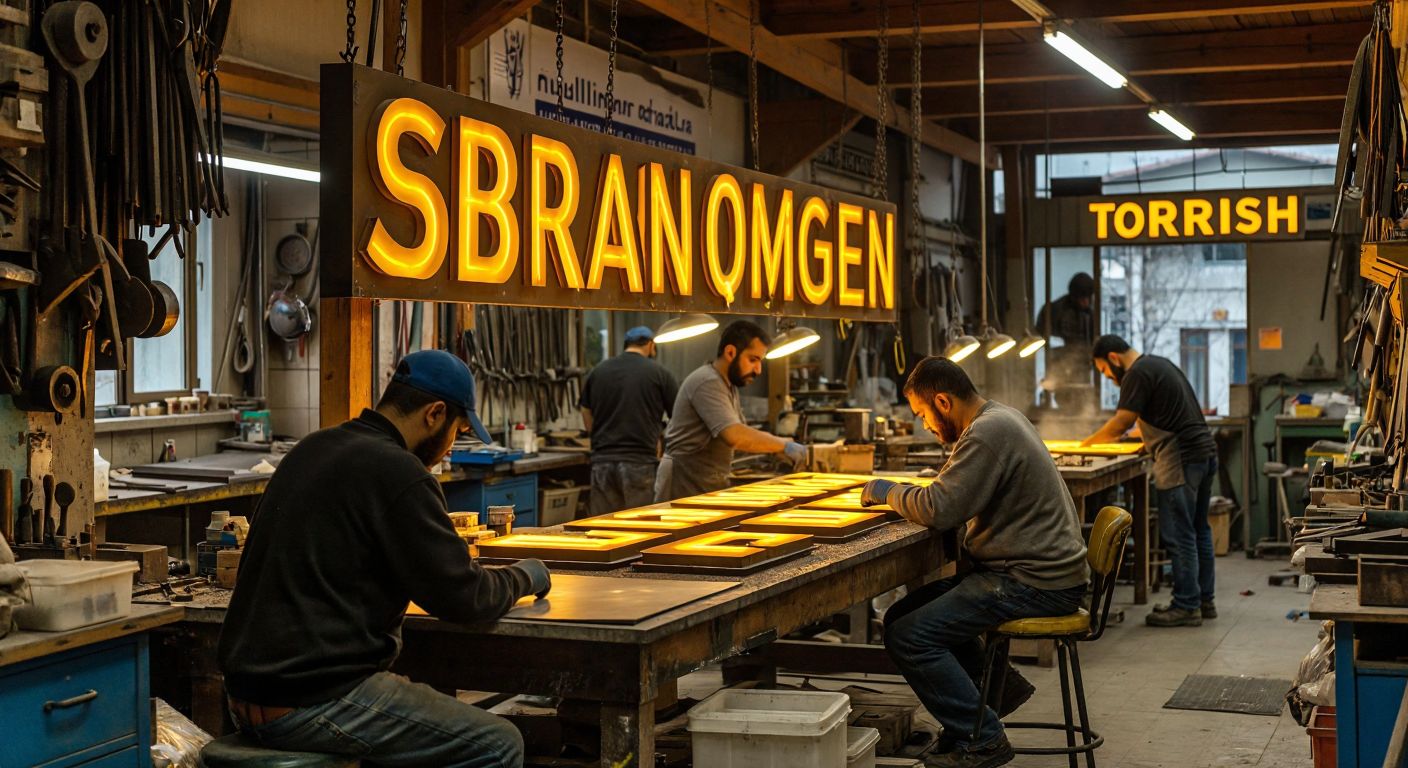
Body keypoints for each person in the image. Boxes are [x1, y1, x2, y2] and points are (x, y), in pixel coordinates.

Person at [218, 350, 551, 767]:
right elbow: (466, 598)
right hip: (314, 698)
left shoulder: (314, 447)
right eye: (457, 431)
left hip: (245, 694)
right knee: (498, 743)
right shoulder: (400, 473)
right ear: (434, 413)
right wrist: (528, 576)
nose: (449, 447)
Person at [861, 357, 1089, 768]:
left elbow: (939, 507)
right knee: (900, 615)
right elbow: (953, 494)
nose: (926, 426)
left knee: (910, 637)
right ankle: (995, 692)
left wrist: (886, 490)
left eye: (924, 415)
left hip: (1034, 582)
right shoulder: (998, 418)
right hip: (1033, 571)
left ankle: (983, 738)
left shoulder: (987, 432)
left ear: (943, 402)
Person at [1083, 334, 1217, 628]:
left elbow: (1122, 421)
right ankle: (1204, 601)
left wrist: (1085, 445)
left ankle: (1186, 605)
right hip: (1203, 454)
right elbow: (1160, 419)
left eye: (1105, 371)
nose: (1108, 378)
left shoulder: (1137, 373)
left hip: (1181, 459)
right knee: (1198, 530)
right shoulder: (1158, 364)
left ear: (1114, 359)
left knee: (1180, 534)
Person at [655, 320, 807, 501]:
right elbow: (735, 435)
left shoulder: (728, 385)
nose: (758, 370)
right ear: (730, 352)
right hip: (684, 482)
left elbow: (742, 434)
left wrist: (777, 448)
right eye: (753, 360)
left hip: (704, 482)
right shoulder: (708, 382)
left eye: (760, 361)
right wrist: (783, 444)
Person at [579, 326, 679, 515]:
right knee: (638, 528)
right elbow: (678, 417)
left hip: (603, 462)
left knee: (603, 527)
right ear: (650, 345)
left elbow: (585, 409)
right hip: (639, 461)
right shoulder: (659, 373)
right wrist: (660, 437)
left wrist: (597, 435)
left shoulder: (599, 370)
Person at [1035, 272, 1095, 346]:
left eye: (1088, 297)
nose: (1086, 302)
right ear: (1074, 297)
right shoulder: (1053, 311)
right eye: (1082, 298)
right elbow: (1039, 337)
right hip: (1057, 354)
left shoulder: (1090, 312)